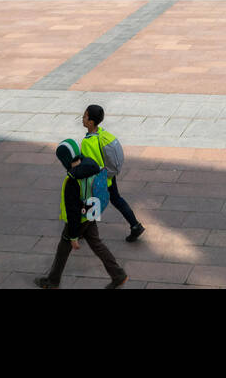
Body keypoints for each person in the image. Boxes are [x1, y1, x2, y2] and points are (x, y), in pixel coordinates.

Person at [35, 137, 127, 289]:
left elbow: (72, 211)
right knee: (96, 244)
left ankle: (52, 281)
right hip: (92, 211)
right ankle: (118, 274)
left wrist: (73, 236)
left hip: (80, 218)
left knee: (63, 248)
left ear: (65, 159)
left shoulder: (72, 181)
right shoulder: (90, 163)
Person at [81, 105, 144, 243]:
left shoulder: (87, 142)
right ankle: (135, 225)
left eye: (85, 116)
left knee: (90, 202)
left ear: (91, 122)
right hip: (110, 177)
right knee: (117, 200)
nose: (83, 118)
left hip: (98, 180)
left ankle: (84, 232)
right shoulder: (102, 133)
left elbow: (90, 165)